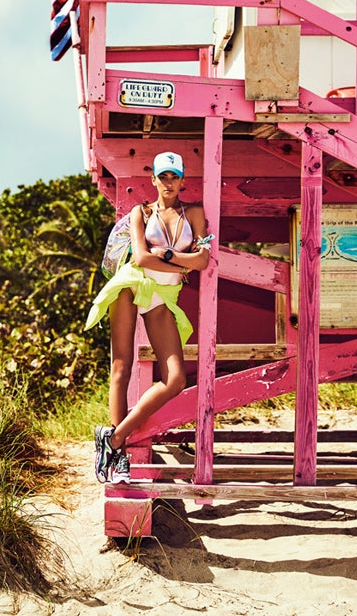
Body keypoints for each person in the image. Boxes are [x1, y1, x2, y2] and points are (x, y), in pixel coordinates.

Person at [85, 151, 213, 484]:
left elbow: (203, 261)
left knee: (175, 379)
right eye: (163, 177)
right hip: (131, 285)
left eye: (175, 177)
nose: (169, 183)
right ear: (153, 180)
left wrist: (167, 254)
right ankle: (120, 459)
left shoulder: (195, 214)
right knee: (121, 366)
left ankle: (112, 438)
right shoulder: (139, 213)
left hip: (163, 298)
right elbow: (141, 258)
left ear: (183, 181)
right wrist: (182, 261)